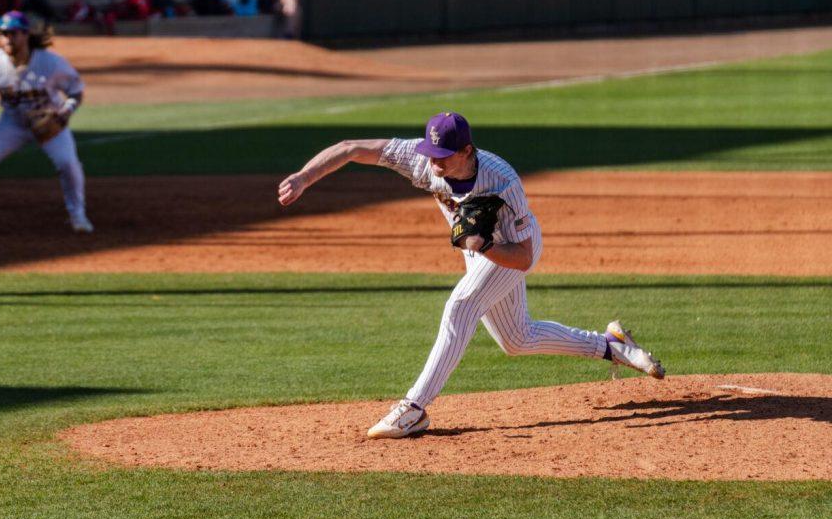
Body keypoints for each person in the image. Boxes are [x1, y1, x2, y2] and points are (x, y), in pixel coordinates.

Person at [276, 111, 666, 439]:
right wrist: (304, 177)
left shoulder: (503, 182)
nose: (434, 164)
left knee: (460, 306)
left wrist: (484, 246)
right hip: (478, 249)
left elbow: (525, 256)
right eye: (431, 153)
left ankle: (414, 408)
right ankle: (611, 345)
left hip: (510, 248)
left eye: (444, 156)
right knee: (517, 338)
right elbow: (351, 149)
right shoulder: (420, 158)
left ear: (467, 151)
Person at [0, 10, 93, 235]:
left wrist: (64, 114)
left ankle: (78, 216)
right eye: (3, 34)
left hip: (50, 122)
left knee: (67, 164)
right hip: (12, 123)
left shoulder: (50, 62)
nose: (7, 39)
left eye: (13, 33)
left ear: (25, 35)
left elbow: (76, 92)